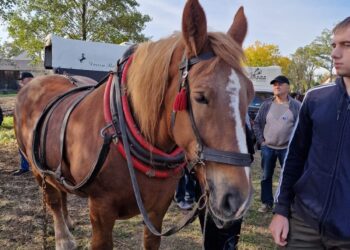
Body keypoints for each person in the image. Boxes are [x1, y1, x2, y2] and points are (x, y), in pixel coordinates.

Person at [269, 16, 350, 249]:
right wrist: (281, 210)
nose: (335, 53)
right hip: (303, 223)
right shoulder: (315, 97)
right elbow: (295, 156)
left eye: (347, 45)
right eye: (334, 45)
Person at [253, 75, 301, 213]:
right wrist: (262, 141)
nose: (276, 86)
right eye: (274, 84)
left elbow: (302, 127)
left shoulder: (296, 106)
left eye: (280, 84)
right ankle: (266, 203)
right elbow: (256, 124)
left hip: (287, 149)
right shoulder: (267, 104)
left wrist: (295, 145)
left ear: (288, 87)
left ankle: (285, 203)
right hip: (268, 148)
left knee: (288, 176)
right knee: (266, 176)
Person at [12, 72, 33, 176]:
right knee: (22, 146)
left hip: (33, 123)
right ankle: (24, 167)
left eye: (22, 79)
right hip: (24, 123)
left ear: (29, 79)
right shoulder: (23, 91)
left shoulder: (36, 90)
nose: (20, 81)